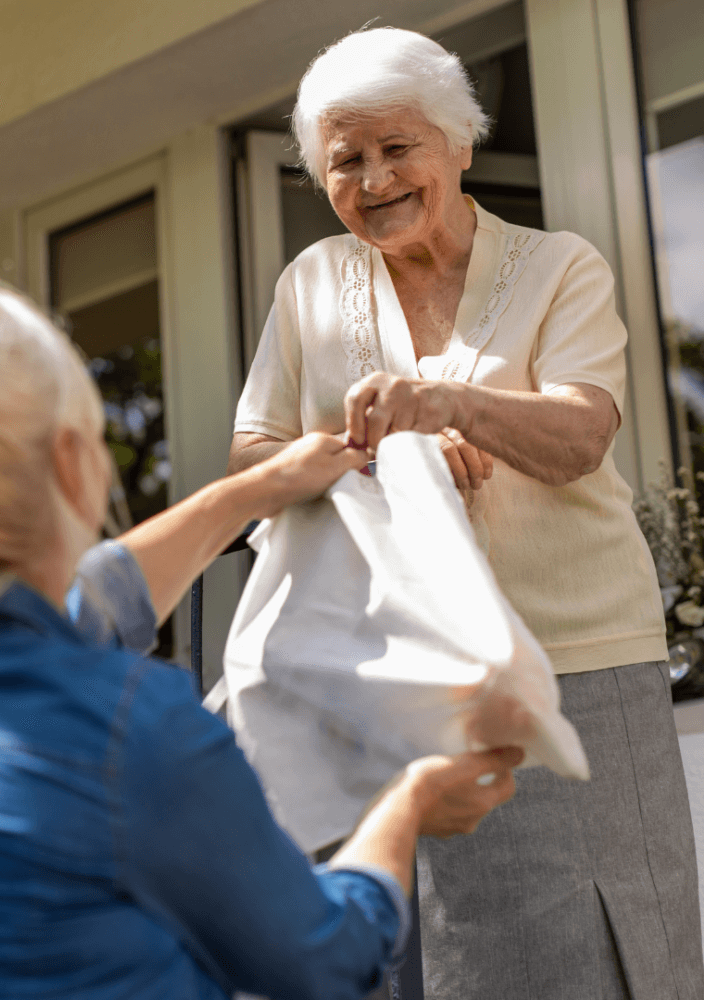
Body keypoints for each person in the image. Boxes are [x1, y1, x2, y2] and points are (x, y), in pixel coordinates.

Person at [0, 269, 522, 1000]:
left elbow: (84, 606)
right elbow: (324, 957)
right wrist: (407, 796)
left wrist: (256, 490)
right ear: (72, 464)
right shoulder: (131, 728)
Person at [228, 25, 704, 1000]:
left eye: (397, 148)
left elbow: (580, 435)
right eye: (344, 161)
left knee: (612, 936)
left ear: (458, 144)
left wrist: (447, 404)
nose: (372, 179)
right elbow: (253, 458)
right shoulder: (310, 284)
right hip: (386, 671)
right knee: (437, 951)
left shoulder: (558, 266)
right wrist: (371, 459)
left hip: (577, 658)